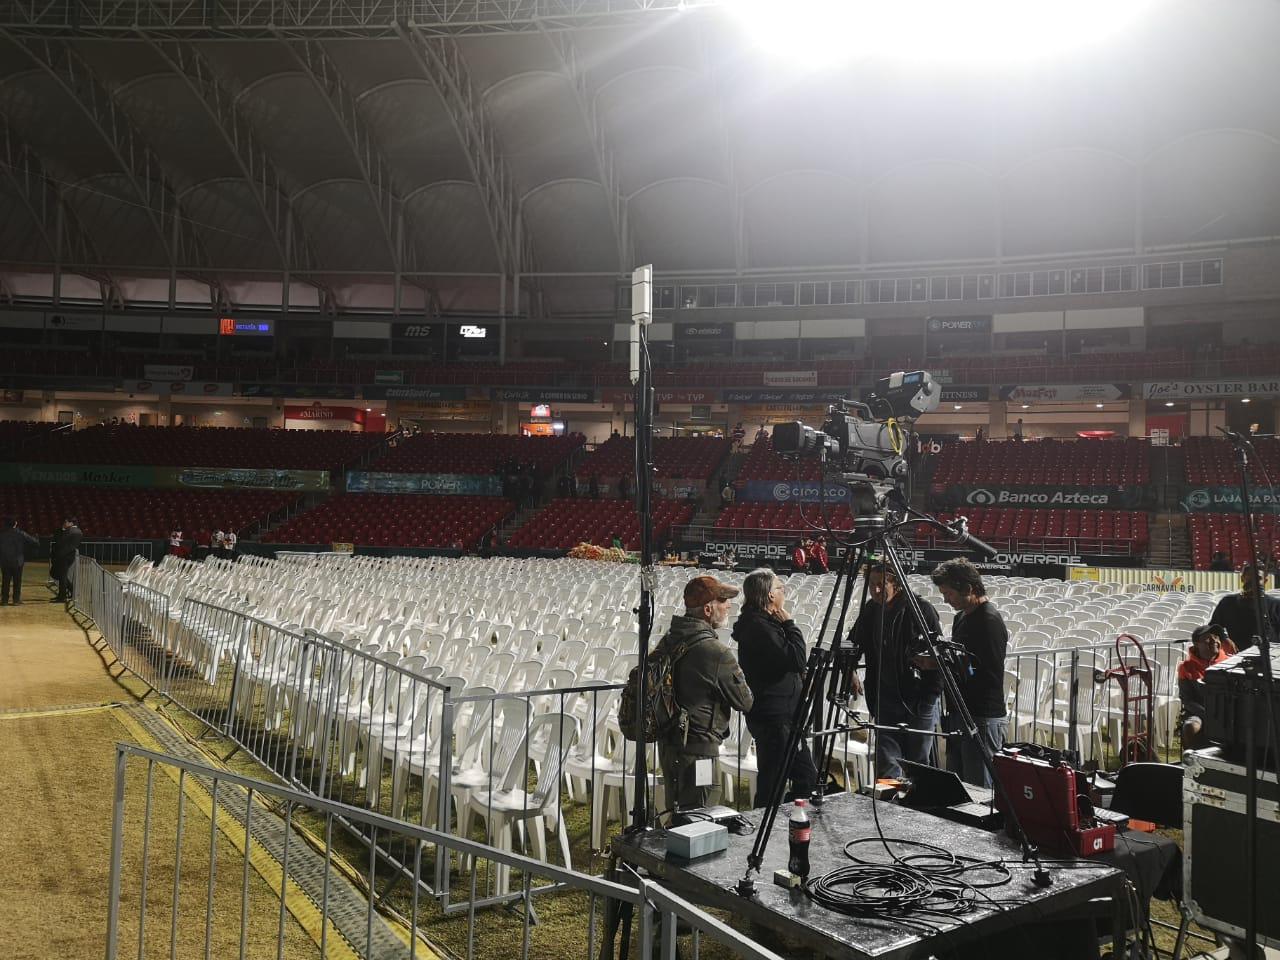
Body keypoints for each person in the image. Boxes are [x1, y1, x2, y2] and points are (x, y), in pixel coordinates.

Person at [655, 575, 754, 812]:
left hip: (669, 743)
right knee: (700, 815)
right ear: (708, 609)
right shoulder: (715, 652)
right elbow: (745, 701)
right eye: (722, 601)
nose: (728, 605)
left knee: (676, 810)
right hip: (699, 748)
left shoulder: (669, 639)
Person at [846, 562, 944, 779]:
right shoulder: (871, 610)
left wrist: (929, 698)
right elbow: (852, 643)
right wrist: (850, 670)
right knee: (888, 768)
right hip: (884, 699)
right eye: (871, 584)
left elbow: (938, 656)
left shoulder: (921, 609)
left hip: (918, 701)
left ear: (897, 584)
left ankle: (917, 810)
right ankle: (891, 810)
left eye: (882, 584)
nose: (876, 590)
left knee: (918, 767)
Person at [733, 569, 817, 806]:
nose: (784, 591)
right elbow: (798, 658)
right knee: (773, 784)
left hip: (783, 716)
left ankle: (790, 823)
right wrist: (790, 624)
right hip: (775, 717)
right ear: (770, 595)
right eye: (780, 588)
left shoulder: (762, 623)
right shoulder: (760, 627)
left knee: (805, 778)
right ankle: (766, 830)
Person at [931, 558, 1008, 788]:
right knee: (959, 785)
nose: (946, 600)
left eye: (950, 593)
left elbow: (987, 674)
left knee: (979, 789)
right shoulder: (961, 617)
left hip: (982, 716)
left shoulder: (989, 621)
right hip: (960, 712)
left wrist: (945, 664)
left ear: (968, 589)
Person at [1178, 624, 1231, 750]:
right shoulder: (1186, 667)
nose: (1214, 641)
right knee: (1190, 727)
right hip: (1199, 713)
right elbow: (1187, 700)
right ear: (1197, 644)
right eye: (1208, 638)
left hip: (1227, 713)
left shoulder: (1231, 662)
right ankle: (1192, 763)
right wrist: (1208, 714)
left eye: (1216, 637)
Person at [1209, 564, 1280, 652]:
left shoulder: (1276, 604)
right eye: (1249, 577)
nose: (1253, 581)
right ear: (1242, 578)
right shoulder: (1227, 602)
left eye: (1258, 578)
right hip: (1237, 655)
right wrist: (1224, 639)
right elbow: (1213, 627)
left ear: (1265, 581)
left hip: (1269, 656)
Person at [1, 517, 39, 605]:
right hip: (17, 561)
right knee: (17, 581)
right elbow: (34, 542)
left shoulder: (2, 533)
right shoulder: (20, 533)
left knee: (5, 581)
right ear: (15, 523)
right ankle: (16, 600)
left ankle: (4, 600)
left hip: (5, 561)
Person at [50, 517, 81, 603]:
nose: (64, 523)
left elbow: (60, 542)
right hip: (68, 556)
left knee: (62, 576)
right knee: (61, 576)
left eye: (66, 522)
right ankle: (69, 592)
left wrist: (63, 530)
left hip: (64, 556)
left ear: (71, 523)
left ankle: (62, 596)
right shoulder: (77, 531)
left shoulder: (70, 531)